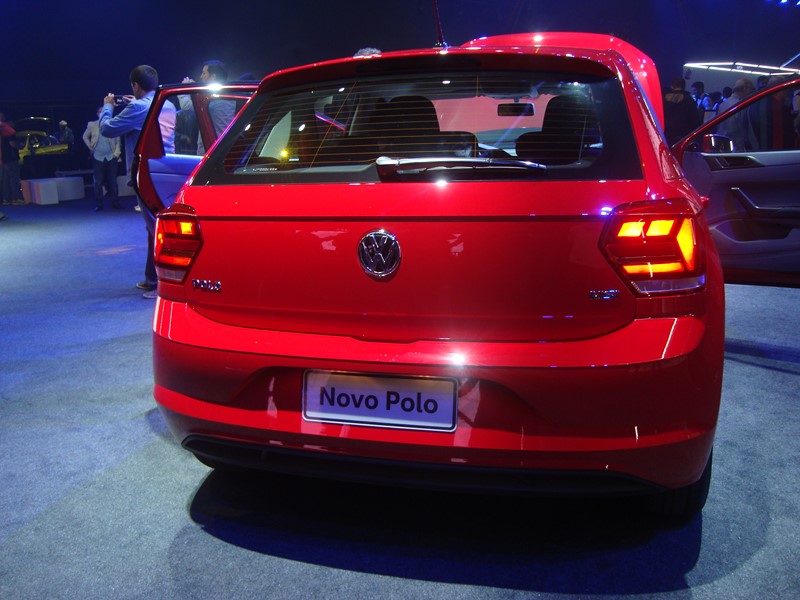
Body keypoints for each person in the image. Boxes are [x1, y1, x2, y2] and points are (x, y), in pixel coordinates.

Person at [99, 65, 176, 298]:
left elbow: (107, 129)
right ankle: (152, 279)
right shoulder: (167, 104)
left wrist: (107, 106)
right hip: (168, 169)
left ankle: (163, 285)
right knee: (156, 227)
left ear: (135, 85)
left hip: (146, 172)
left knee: (156, 228)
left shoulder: (137, 107)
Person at [179, 59, 236, 154]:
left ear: (213, 76)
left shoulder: (212, 97)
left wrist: (184, 90)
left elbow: (187, 108)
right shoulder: (228, 94)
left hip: (211, 149)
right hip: (224, 147)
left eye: (204, 73)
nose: (201, 77)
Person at [82, 107, 121, 211]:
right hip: (98, 156)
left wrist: (117, 152)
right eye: (100, 112)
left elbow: (118, 140)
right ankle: (99, 205)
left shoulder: (112, 124)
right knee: (98, 182)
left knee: (113, 181)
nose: (102, 113)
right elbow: (85, 137)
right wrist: (91, 148)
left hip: (111, 156)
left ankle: (116, 203)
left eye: (104, 111)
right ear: (97, 113)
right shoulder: (92, 124)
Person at [715, 78, 756, 150]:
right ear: (745, 88)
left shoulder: (722, 104)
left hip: (722, 145)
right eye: (752, 90)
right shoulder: (741, 106)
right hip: (736, 147)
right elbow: (743, 131)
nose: (752, 93)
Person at [663, 77, 701, 144]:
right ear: (684, 86)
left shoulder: (663, 99)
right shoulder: (689, 100)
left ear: (672, 86)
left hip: (666, 135)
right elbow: (695, 120)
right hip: (683, 137)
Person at [0, 113, 24, 206]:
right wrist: (20, 146)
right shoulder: (10, 131)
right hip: (11, 157)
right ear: (10, 122)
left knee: (5, 179)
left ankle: (6, 199)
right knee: (14, 178)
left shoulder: (1, 130)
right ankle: (16, 198)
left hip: (3, 158)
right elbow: (13, 144)